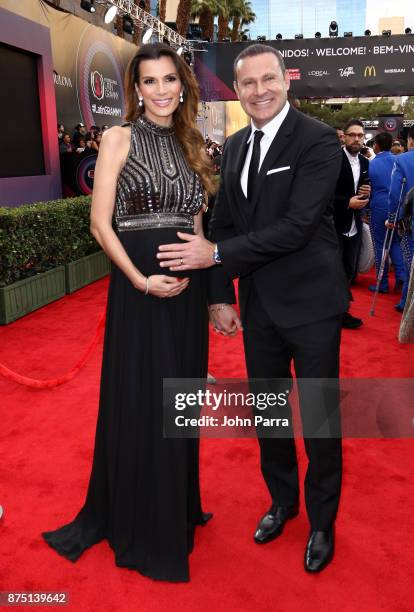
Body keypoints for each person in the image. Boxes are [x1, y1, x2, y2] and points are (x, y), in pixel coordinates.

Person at [157, 44, 349, 573]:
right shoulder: (237, 145)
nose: (259, 90)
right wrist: (219, 294)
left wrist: (215, 255)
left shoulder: (316, 141)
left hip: (311, 306)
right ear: (236, 89)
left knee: (319, 419)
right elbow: (222, 223)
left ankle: (322, 522)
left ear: (286, 81)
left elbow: (296, 227)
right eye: (248, 83)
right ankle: (283, 502)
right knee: (268, 415)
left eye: (269, 79)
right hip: (259, 307)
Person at [42, 43, 215, 583]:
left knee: (179, 401)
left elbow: (200, 230)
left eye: (170, 80)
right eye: (150, 82)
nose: (161, 91)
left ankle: (176, 506)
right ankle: (142, 519)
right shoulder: (118, 138)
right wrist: (141, 282)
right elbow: (100, 225)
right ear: (136, 90)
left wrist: (210, 294)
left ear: (182, 85)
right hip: (140, 296)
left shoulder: (193, 146)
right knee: (143, 400)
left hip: (186, 295)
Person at [332, 119, 371, 329]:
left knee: (349, 270)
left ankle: (341, 311)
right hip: (333, 224)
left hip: (354, 224)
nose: (356, 139)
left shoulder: (365, 162)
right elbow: (322, 195)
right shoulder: (333, 159)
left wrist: (367, 194)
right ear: (344, 136)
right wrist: (347, 202)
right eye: (352, 135)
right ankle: (335, 313)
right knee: (333, 270)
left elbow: (363, 190)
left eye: (360, 136)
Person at [368, 131, 406, 295]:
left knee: (380, 245)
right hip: (397, 206)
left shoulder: (371, 164)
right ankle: (402, 276)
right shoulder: (399, 161)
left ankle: (381, 283)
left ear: (376, 145)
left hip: (378, 206)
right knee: (396, 242)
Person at [387, 126, 414, 312]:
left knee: (410, 261)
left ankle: (406, 301)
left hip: (409, 222)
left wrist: (392, 218)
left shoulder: (402, 160)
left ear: (410, 140)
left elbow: (395, 194)